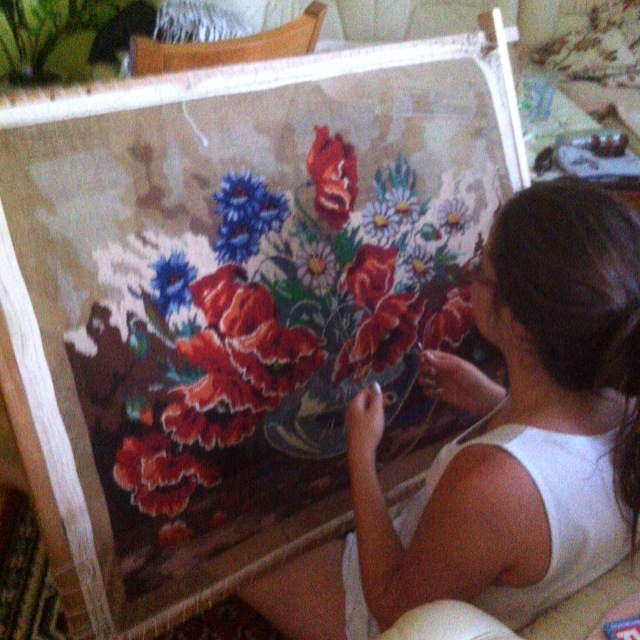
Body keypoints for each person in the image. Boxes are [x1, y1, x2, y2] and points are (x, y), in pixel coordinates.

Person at [239, 178, 640, 640]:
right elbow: (557, 464)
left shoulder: (491, 484)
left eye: (480, 268)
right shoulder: (624, 402)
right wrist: (491, 398)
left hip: (386, 611)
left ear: (516, 322)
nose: (471, 275)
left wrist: (361, 456)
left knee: (240, 556)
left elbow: (393, 608)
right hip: (488, 578)